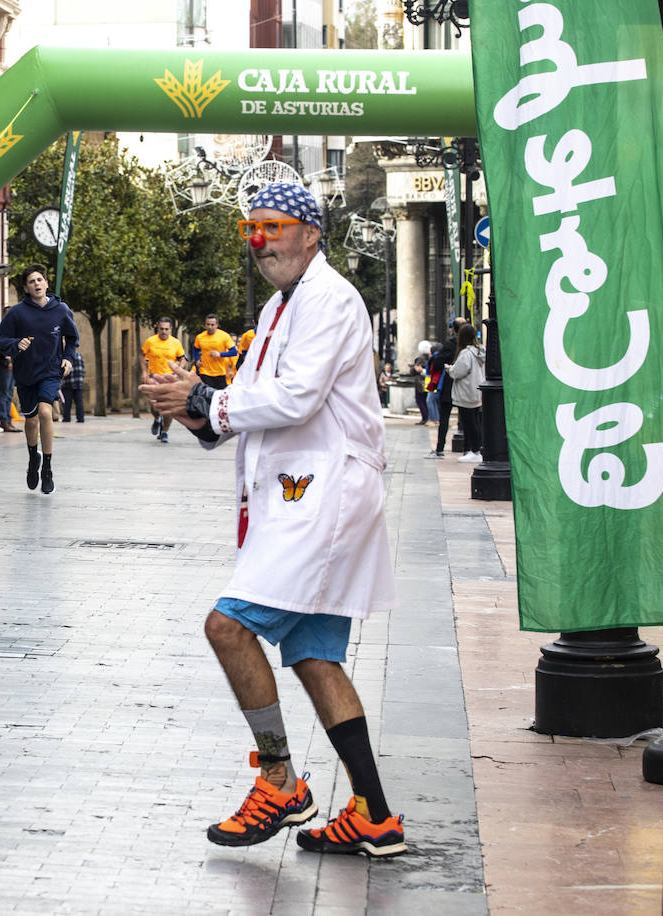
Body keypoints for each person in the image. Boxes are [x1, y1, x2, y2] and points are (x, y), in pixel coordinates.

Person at [141, 183, 406, 858]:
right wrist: (194, 409)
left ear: (312, 234)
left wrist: (206, 397)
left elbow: (294, 397)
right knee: (317, 658)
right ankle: (374, 815)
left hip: (322, 497)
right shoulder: (280, 305)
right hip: (300, 496)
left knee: (226, 626)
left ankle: (281, 781)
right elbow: (252, 399)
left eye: (274, 227)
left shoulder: (329, 300)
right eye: (250, 228)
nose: (260, 241)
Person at [0, 265, 79, 494]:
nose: (37, 284)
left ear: (47, 284)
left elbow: (72, 338)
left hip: (51, 371)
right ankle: (33, 459)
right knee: (30, 421)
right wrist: (15, 344)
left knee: (45, 412)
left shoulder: (61, 309)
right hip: (26, 373)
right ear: (26, 287)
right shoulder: (17, 312)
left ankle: (47, 468)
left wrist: (68, 358)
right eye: (32, 281)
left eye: (40, 280)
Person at [141, 318, 186, 442]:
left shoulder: (176, 343)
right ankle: (157, 419)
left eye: (166, 329)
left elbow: (183, 359)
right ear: (158, 329)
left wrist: (177, 370)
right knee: (154, 406)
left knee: (168, 408)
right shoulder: (150, 341)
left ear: (170, 329)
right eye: (161, 329)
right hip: (154, 377)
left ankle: (165, 432)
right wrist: (144, 371)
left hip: (169, 379)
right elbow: (142, 354)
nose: (164, 332)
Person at [426, 318, 465, 458]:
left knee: (444, 418)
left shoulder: (450, 345)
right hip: (465, 386)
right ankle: (471, 449)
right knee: (468, 418)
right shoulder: (470, 347)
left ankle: (440, 448)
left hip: (449, 385)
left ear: (453, 329)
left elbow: (437, 363)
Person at [445, 323, 485, 463]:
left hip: (466, 392)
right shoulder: (479, 351)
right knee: (475, 422)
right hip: (476, 391)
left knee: (469, 423)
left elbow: (459, 371)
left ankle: (475, 450)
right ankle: (476, 449)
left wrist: (450, 370)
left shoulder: (466, 353)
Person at [192, 314, 237, 390]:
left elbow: (234, 352)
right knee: (206, 397)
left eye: (212, 325)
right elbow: (195, 349)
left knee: (219, 397)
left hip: (220, 372)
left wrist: (220, 354)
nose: (210, 327)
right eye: (208, 324)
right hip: (205, 372)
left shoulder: (224, 336)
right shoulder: (200, 337)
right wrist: (197, 360)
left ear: (217, 325)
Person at [407, 341, 432, 424]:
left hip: (420, 382)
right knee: (425, 399)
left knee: (420, 400)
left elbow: (415, 370)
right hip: (427, 381)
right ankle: (427, 417)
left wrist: (412, 368)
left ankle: (425, 418)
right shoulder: (430, 357)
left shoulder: (420, 358)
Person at [61, 349, 86, 422]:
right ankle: (80, 418)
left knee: (67, 402)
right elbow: (83, 368)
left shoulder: (68, 357)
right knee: (79, 402)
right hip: (79, 382)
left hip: (69, 382)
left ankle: (66, 418)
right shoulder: (79, 355)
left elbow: (67, 370)